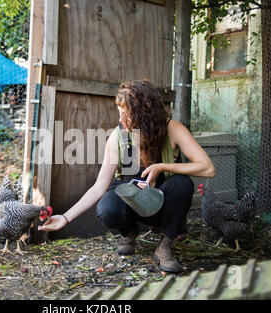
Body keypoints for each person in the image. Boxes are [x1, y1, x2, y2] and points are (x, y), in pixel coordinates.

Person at [39, 80, 215, 273]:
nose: (121, 119)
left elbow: (208, 168)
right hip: (131, 204)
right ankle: (129, 232)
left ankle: (164, 247)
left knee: (182, 185)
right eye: (119, 112)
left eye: (126, 113)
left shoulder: (171, 129)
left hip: (161, 203)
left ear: (144, 113)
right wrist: (65, 218)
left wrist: (161, 166)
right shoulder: (119, 135)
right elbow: (99, 186)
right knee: (107, 208)